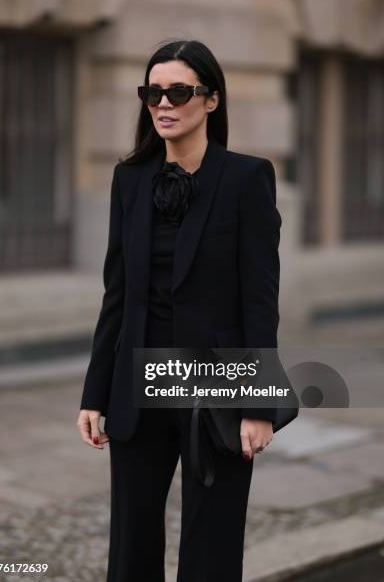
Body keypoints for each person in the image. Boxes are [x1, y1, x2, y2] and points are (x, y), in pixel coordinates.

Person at [77, 39, 282, 582]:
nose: (163, 104)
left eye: (178, 91)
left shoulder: (247, 178)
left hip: (215, 389)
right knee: (131, 548)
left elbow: (260, 298)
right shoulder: (130, 179)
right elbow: (116, 294)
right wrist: (94, 393)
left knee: (211, 551)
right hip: (138, 386)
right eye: (152, 93)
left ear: (211, 100)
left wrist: (259, 404)